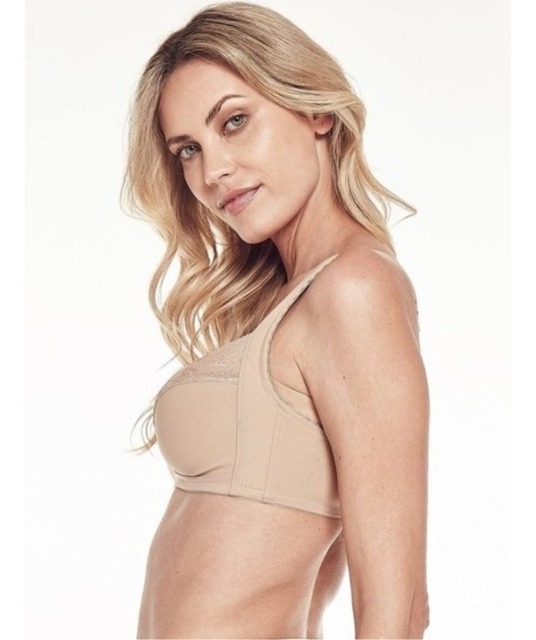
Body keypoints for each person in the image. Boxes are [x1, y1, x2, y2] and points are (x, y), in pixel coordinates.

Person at [123, 2, 430, 638]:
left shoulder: (355, 287)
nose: (212, 172)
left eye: (235, 122)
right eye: (188, 150)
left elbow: (396, 606)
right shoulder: (293, 301)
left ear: (315, 110)